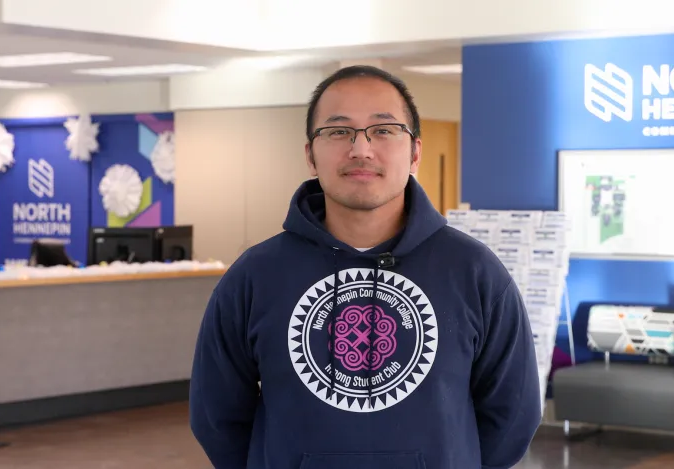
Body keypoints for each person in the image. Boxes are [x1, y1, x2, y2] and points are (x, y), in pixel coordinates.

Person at [189, 65, 542, 469]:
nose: (361, 149)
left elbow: (513, 414)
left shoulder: (475, 272)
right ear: (310, 154)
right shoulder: (254, 276)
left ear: (415, 152)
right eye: (338, 131)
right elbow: (216, 416)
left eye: (384, 129)